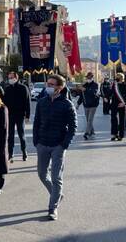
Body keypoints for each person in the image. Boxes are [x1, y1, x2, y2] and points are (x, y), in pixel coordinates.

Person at [33, 74, 77, 221]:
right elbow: (36, 122)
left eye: (52, 85)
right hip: (42, 144)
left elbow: (73, 127)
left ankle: (53, 208)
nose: (48, 87)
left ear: (60, 87)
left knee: (56, 177)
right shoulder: (42, 102)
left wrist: (64, 144)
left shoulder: (67, 104)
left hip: (58, 145)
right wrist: (36, 141)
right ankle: (56, 194)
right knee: (41, 174)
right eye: (48, 84)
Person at [2, 71, 31, 162]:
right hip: (10, 115)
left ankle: (24, 152)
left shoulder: (23, 88)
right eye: (9, 78)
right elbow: (4, 102)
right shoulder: (7, 89)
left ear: (16, 78)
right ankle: (10, 154)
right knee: (10, 135)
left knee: (21, 134)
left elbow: (28, 102)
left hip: (20, 115)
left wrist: (27, 115)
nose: (10, 79)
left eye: (11, 77)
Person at [77, 72, 99, 140]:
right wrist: (78, 104)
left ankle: (87, 133)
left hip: (93, 105)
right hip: (86, 105)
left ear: (92, 78)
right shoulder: (84, 85)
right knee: (88, 120)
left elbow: (93, 93)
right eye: (87, 78)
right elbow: (81, 96)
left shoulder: (95, 85)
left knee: (90, 120)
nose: (88, 79)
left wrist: (85, 90)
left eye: (89, 78)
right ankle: (92, 131)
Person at [110, 73, 126, 141]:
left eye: (117, 77)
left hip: (122, 104)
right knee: (113, 119)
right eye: (116, 77)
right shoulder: (114, 85)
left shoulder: (125, 85)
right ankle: (114, 134)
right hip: (114, 104)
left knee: (122, 120)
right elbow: (111, 93)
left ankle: (121, 135)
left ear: (121, 78)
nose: (116, 78)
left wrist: (124, 103)